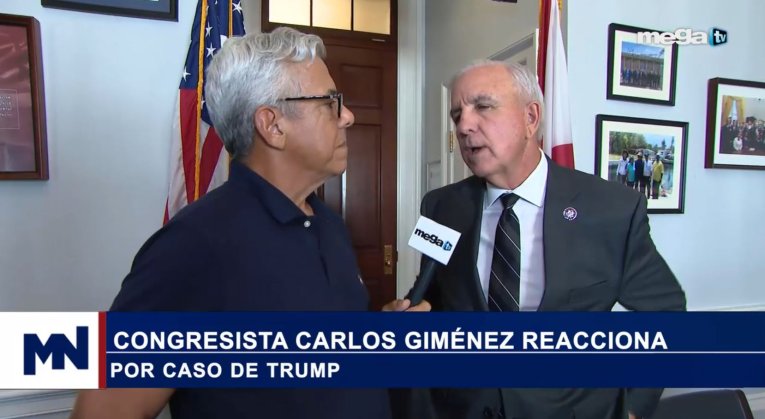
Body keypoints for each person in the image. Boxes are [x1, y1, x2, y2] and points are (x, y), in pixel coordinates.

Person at [71, 27, 427, 419]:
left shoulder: (330, 225)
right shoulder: (194, 246)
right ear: (272, 125)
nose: (347, 116)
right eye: (329, 102)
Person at [396, 61, 685, 419]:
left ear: (530, 117)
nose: (465, 126)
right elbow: (433, 297)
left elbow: (665, 313)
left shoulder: (612, 210)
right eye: (457, 115)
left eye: (483, 107)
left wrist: (632, 409)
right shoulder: (441, 206)